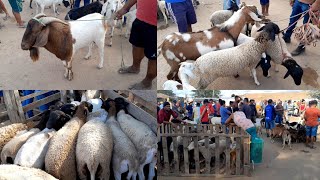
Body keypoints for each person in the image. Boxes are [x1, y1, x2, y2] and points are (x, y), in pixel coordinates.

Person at [116, 0, 156, 89]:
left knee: (153, 57)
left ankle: (147, 82)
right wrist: (124, 8)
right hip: (139, 18)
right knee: (136, 45)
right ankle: (135, 67)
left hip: (154, 25)